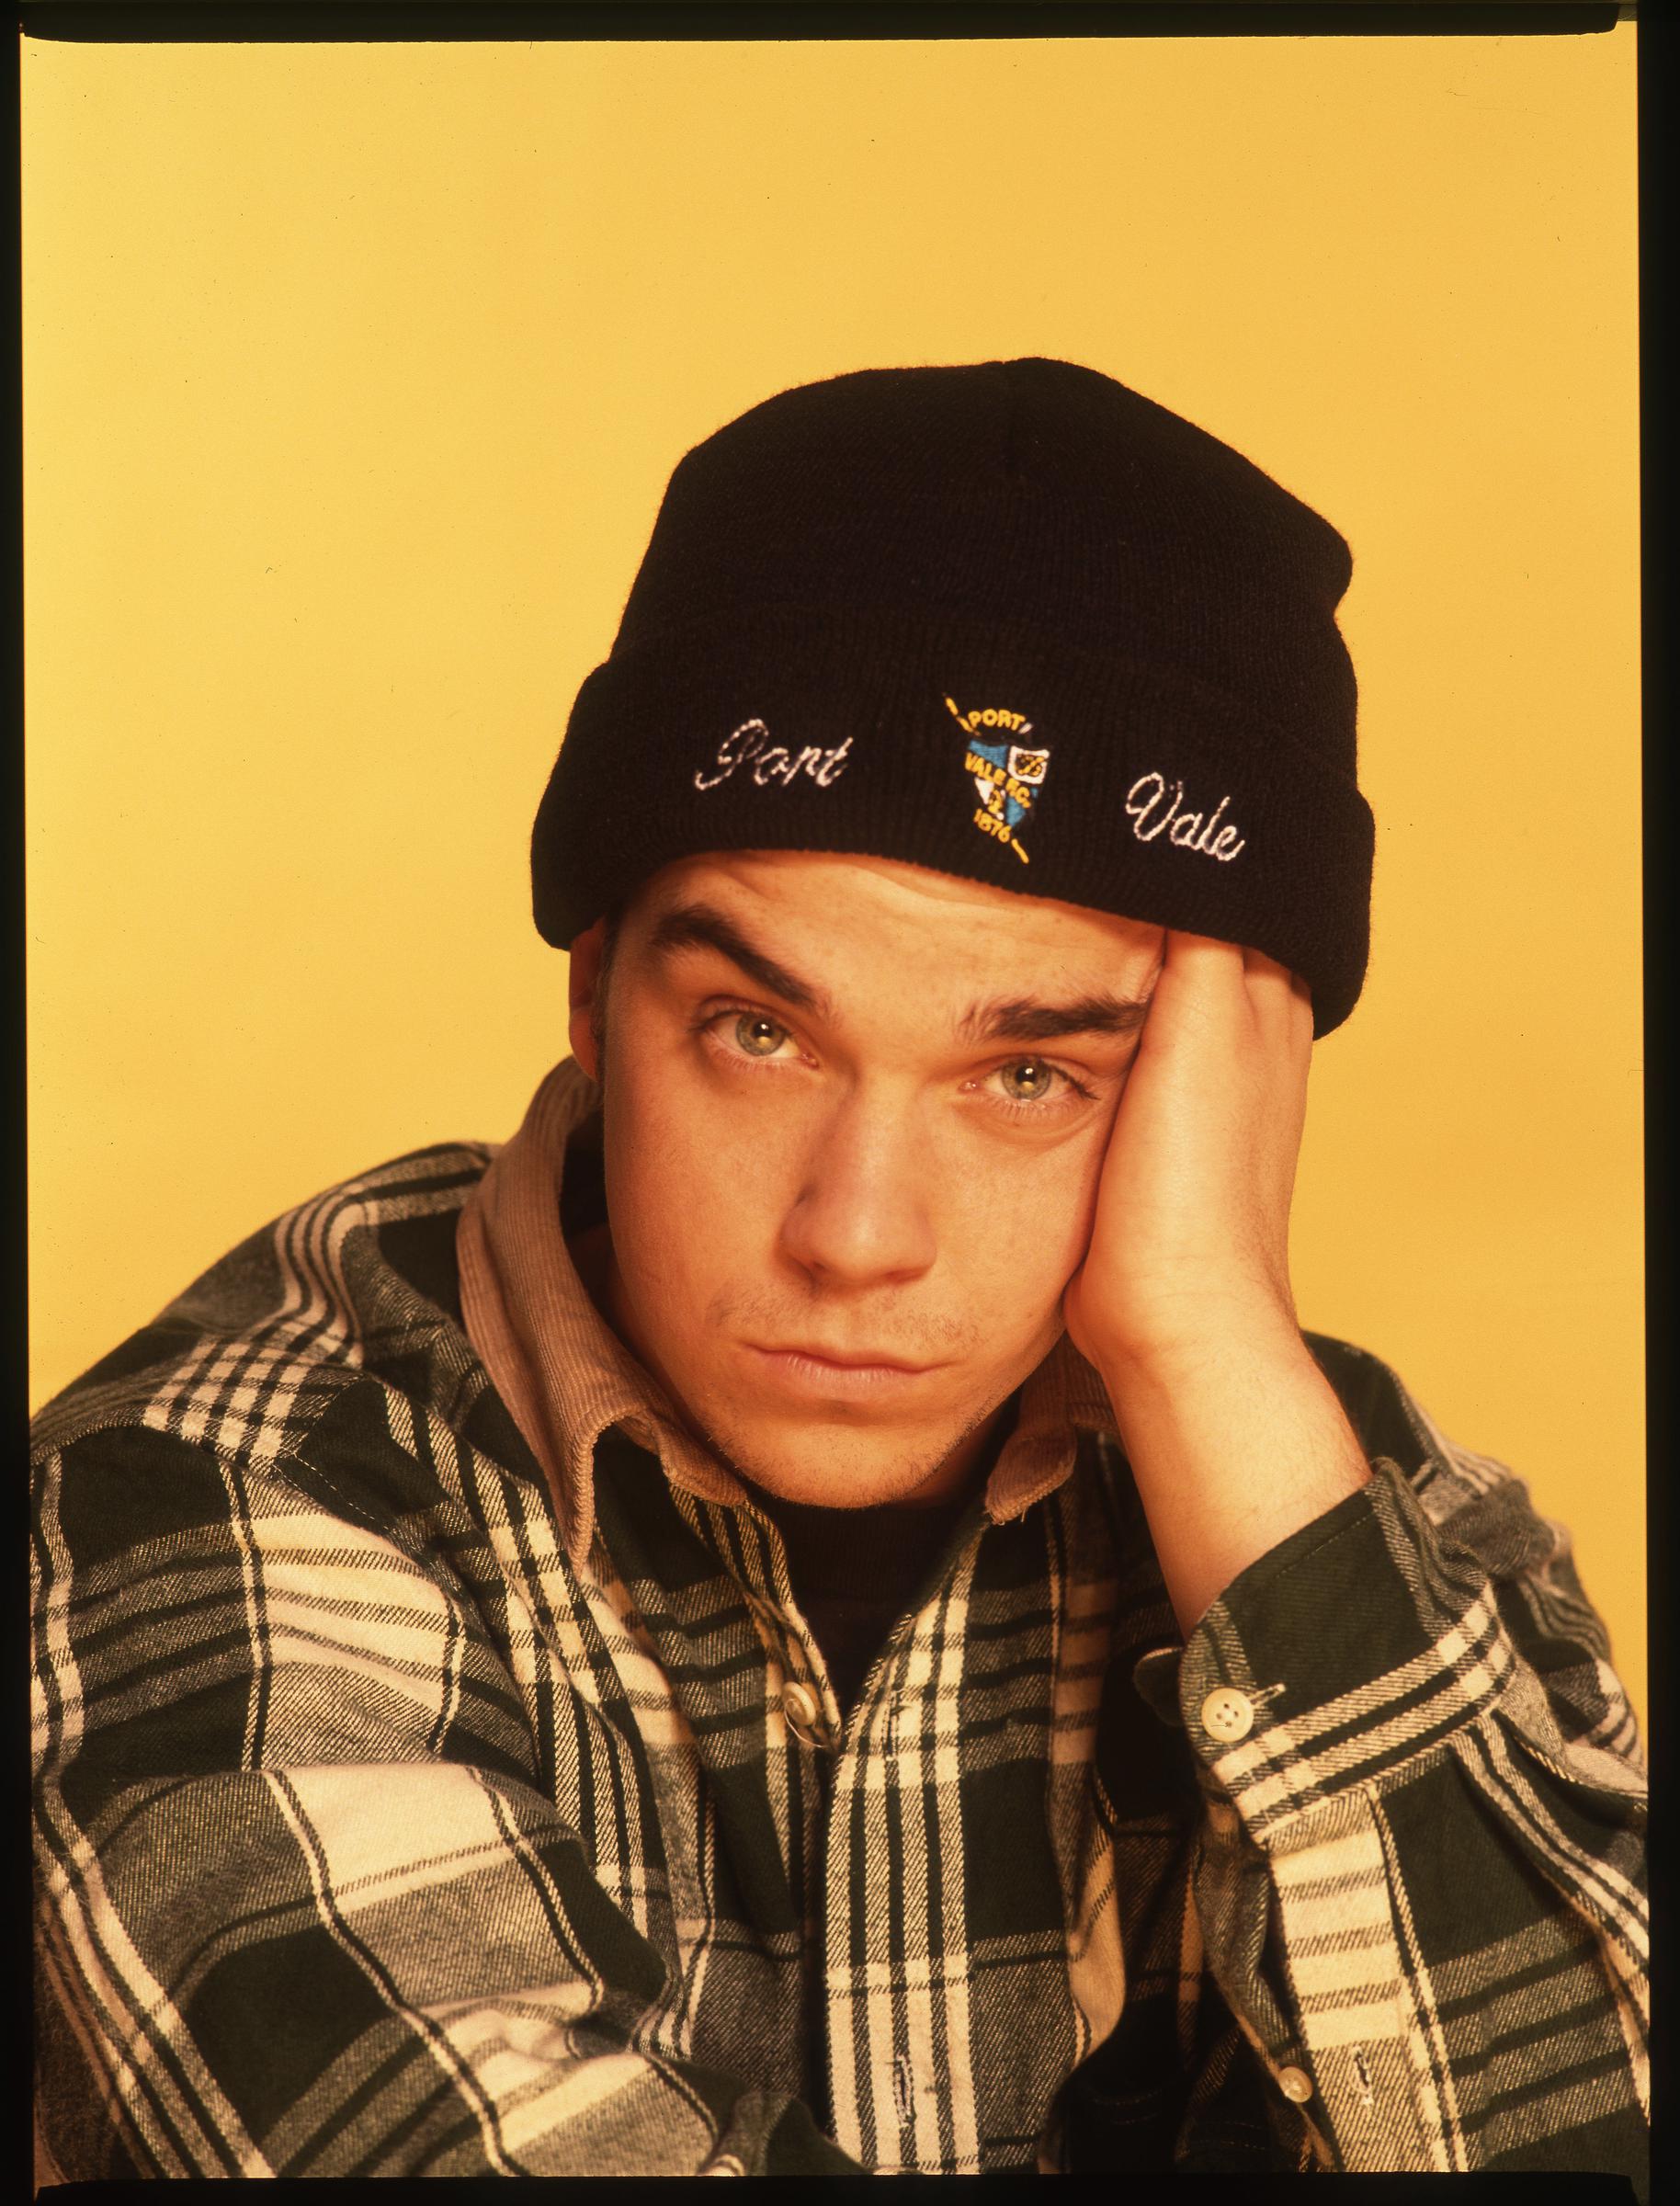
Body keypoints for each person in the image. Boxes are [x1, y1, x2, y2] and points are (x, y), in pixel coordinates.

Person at [30, 359, 1647, 2183]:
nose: (857, 1234)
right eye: (758, 1034)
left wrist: (1208, 1348)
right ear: (594, 993)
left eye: (1028, 1076)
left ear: (1224, 1095)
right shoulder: (197, 1494)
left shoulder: (1362, 1516)